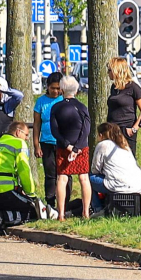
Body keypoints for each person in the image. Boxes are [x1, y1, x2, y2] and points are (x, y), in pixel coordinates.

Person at [0, 122, 57, 230]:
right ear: (18, 132)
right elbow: (24, 169)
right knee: (34, 211)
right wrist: (30, 193)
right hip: (3, 191)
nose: (27, 138)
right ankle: (1, 217)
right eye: (26, 135)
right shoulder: (18, 143)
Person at [50, 75, 92, 219]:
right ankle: (86, 212)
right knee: (84, 178)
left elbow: (55, 131)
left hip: (63, 148)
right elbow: (86, 129)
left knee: (61, 179)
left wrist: (67, 145)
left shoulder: (56, 107)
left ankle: (61, 214)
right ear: (76, 90)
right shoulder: (82, 107)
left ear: (61, 90)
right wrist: (77, 147)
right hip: (81, 148)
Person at [90, 122, 141, 214]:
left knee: (88, 179)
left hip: (119, 185)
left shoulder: (103, 145)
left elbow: (95, 170)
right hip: (138, 185)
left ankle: (97, 209)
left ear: (100, 135)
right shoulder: (124, 145)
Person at [32, 72, 68, 208]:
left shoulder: (64, 99)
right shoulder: (41, 101)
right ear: (47, 87)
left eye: (58, 88)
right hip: (46, 142)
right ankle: (50, 202)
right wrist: (36, 145)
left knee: (64, 173)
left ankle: (65, 201)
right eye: (53, 88)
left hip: (63, 143)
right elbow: (37, 124)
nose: (56, 91)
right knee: (50, 174)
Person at [107, 56, 141, 157]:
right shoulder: (114, 88)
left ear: (117, 70)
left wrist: (133, 129)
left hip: (126, 130)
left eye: (109, 70)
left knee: (127, 160)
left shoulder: (133, 87)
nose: (108, 73)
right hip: (112, 130)